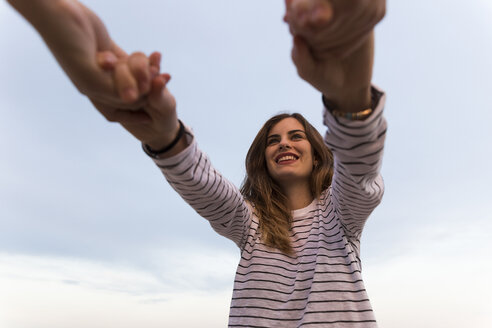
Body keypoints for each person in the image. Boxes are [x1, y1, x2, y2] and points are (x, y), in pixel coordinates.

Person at [6, 0, 387, 326]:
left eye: (295, 136)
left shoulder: (339, 216)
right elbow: (204, 186)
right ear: (263, 160)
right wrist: (163, 133)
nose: (283, 144)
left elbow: (358, 168)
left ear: (319, 153)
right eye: (273, 141)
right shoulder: (251, 223)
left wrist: (349, 96)